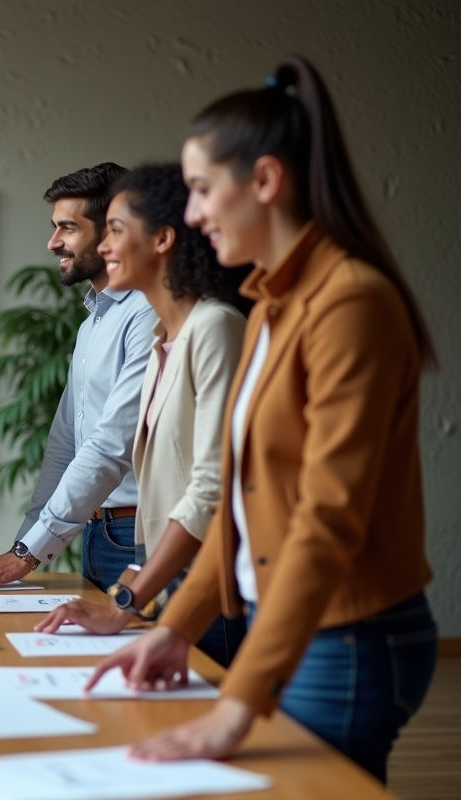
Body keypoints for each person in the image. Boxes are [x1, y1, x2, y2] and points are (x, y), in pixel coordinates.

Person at [86, 56, 438, 782]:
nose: (192, 214)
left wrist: (237, 702)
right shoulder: (273, 307)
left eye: (204, 190)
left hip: (348, 639)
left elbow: (327, 518)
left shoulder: (351, 303)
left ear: (268, 182)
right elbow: (242, 508)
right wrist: (173, 630)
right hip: (299, 630)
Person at [37, 163, 249, 667]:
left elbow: (211, 488)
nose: (105, 248)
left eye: (114, 230)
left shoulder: (215, 327)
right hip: (164, 564)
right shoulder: (160, 341)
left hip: (203, 573)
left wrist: (126, 600)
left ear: (163, 240)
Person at [0, 163, 157, 592]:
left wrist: (29, 553)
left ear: (113, 233)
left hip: (139, 536)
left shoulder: (148, 315)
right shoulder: (94, 322)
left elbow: (111, 445)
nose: (53, 243)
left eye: (68, 228)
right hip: (97, 534)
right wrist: (23, 546)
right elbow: (65, 442)